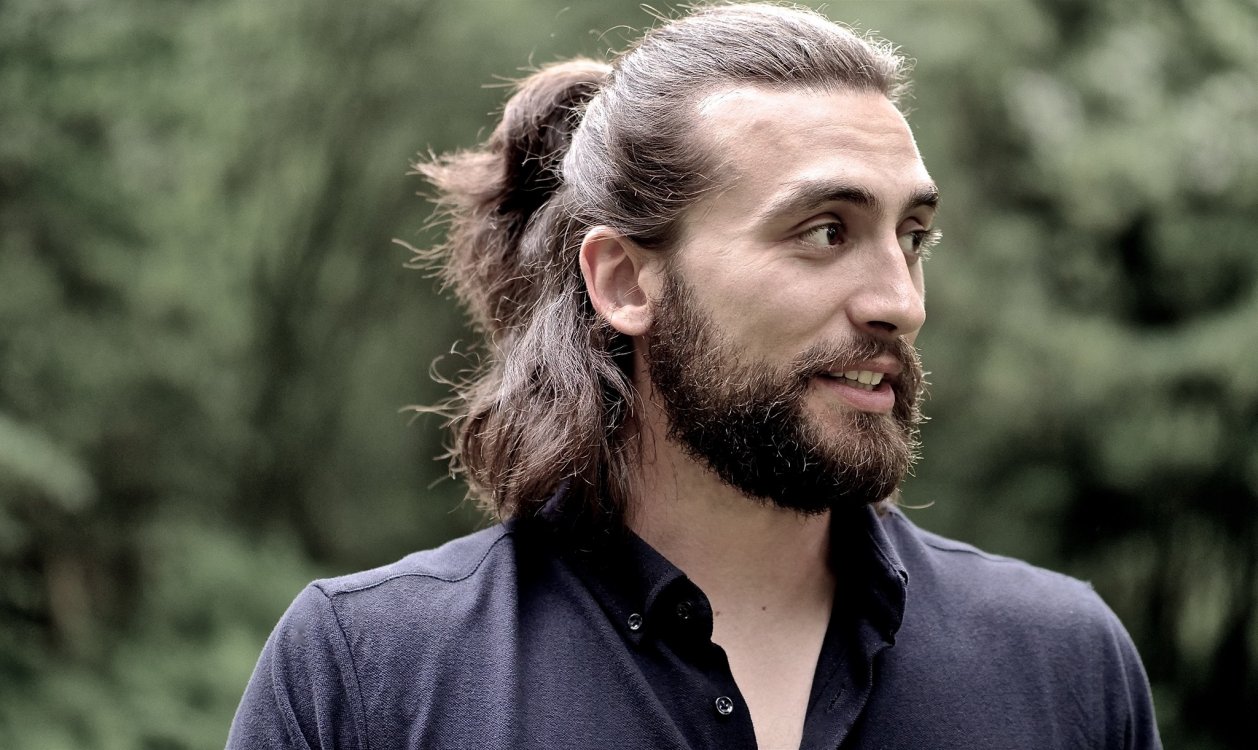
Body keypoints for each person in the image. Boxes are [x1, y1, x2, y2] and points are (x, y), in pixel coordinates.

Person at [229, 4, 1161, 748]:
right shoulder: (370, 675)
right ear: (625, 281)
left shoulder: (1065, 665)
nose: (900, 302)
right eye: (826, 231)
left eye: (912, 237)